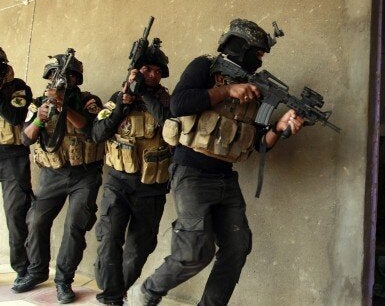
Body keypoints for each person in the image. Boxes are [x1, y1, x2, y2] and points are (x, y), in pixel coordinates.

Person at [140, 18, 305, 306]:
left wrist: (279, 129)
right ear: (239, 45)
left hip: (225, 177)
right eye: (257, 53)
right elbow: (179, 104)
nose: (260, 59)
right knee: (193, 251)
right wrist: (227, 91)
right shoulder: (206, 65)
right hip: (191, 171)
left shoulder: (254, 88)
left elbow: (256, 143)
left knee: (238, 246)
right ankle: (147, 293)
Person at [13, 50, 104, 304]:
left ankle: (64, 281)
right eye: (54, 76)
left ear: (76, 79)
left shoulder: (88, 101)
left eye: (66, 77)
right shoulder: (39, 103)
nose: (60, 81)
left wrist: (64, 106)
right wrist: (40, 120)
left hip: (84, 174)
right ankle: (36, 271)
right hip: (52, 173)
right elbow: (25, 138)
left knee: (75, 226)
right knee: (36, 219)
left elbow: (90, 130)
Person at [91, 39, 172, 306]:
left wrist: (144, 95)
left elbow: (171, 128)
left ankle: (119, 288)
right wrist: (122, 106)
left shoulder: (166, 100)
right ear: (136, 71)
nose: (153, 75)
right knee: (109, 239)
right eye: (147, 69)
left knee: (140, 248)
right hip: (118, 183)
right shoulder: (118, 98)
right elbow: (97, 134)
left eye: (158, 72)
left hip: (152, 187)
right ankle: (111, 297)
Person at [0, 47, 34, 290]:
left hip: (12, 156)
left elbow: (14, 116)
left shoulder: (19, 88)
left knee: (16, 214)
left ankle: (22, 268)